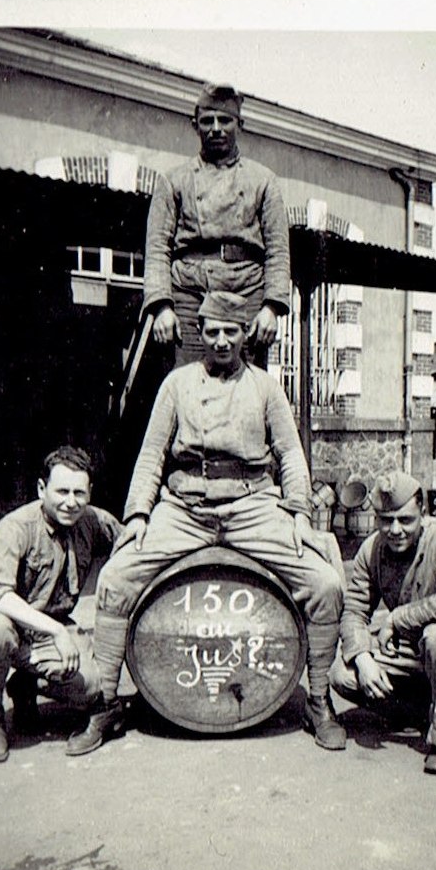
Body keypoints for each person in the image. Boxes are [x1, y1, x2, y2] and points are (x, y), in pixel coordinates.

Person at [71, 290, 345, 755]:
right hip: (184, 509)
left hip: (252, 506)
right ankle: (105, 705)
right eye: (212, 332)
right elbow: (152, 454)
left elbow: (290, 454)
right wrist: (138, 515)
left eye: (231, 332)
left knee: (324, 584)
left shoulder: (265, 386)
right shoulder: (176, 385)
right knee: (116, 578)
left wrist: (298, 513)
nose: (221, 341)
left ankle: (319, 702)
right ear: (199, 335)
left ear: (245, 336)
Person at [0, 446, 122, 763]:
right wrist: (57, 630)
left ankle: (25, 685)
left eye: (79, 493)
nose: (71, 502)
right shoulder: (16, 527)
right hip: (9, 625)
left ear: (89, 493)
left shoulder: (92, 521)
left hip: (47, 633)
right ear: (42, 489)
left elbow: (130, 545)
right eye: (61, 491)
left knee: (92, 686)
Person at [332, 471, 436, 774]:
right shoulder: (371, 550)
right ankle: (422, 710)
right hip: (413, 643)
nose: (395, 529)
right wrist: (362, 657)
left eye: (405, 520)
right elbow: (354, 611)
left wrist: (397, 616)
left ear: (422, 512)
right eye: (386, 520)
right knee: (343, 674)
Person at [141, 82, 290, 368]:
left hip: (246, 294)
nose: (216, 128)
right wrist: (161, 307)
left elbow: (278, 251)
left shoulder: (263, 181)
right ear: (194, 125)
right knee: (187, 386)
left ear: (240, 124)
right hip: (189, 294)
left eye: (225, 120)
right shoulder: (174, 180)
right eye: (207, 121)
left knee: (244, 391)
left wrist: (271, 308)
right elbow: (157, 247)